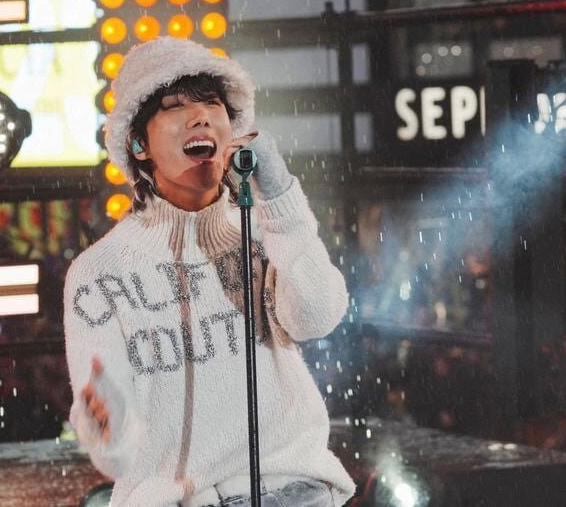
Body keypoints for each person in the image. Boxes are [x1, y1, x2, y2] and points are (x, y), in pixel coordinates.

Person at [63, 36, 355, 507]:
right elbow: (115, 453)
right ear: (139, 144)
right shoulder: (99, 273)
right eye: (175, 107)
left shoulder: (263, 231)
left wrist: (278, 195)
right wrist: (106, 422)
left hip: (292, 489)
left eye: (211, 103)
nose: (200, 116)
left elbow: (318, 315)